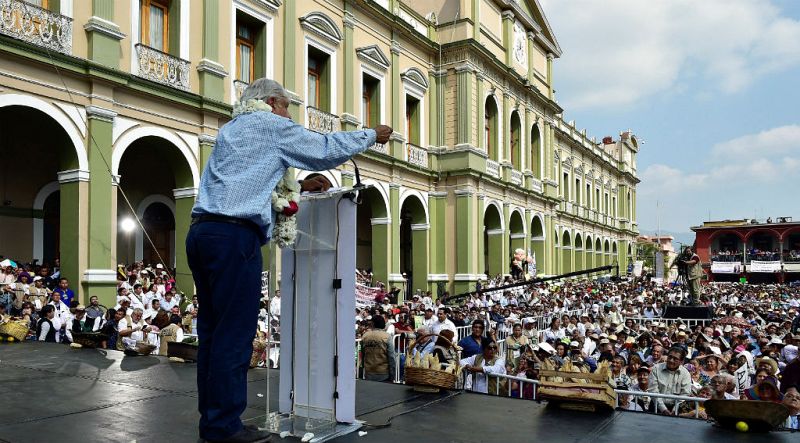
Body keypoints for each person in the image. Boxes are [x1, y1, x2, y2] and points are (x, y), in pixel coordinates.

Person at [185, 75, 388, 441]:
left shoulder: (233, 129)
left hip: (203, 233)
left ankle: (213, 421)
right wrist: (370, 135)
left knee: (213, 335)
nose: (288, 116)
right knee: (234, 336)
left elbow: (249, 182)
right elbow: (324, 149)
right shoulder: (271, 125)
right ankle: (223, 428)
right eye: (287, 108)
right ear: (273, 103)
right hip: (234, 238)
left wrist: (301, 186)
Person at [648, 346, 692, 415]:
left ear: (681, 361)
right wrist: (663, 409)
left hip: (677, 409)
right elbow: (653, 391)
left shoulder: (685, 374)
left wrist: (675, 410)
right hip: (656, 406)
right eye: (670, 357)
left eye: (675, 359)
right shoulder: (656, 369)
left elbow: (685, 394)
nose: (671, 360)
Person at [360, 315, 395, 382]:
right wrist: (392, 375)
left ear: (372, 323)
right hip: (383, 373)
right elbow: (391, 357)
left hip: (369, 373)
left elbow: (363, 354)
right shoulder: (387, 336)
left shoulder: (365, 336)